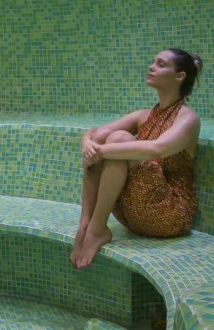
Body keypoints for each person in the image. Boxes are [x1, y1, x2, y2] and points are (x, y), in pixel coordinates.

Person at [71, 49, 204, 269]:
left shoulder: (188, 119)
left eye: (160, 64)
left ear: (179, 76)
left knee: (119, 139)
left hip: (168, 213)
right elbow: (95, 132)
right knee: (104, 137)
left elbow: (157, 149)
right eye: (153, 62)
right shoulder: (144, 115)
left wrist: (102, 152)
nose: (152, 67)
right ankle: (85, 225)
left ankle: (97, 230)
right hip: (133, 209)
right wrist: (87, 142)